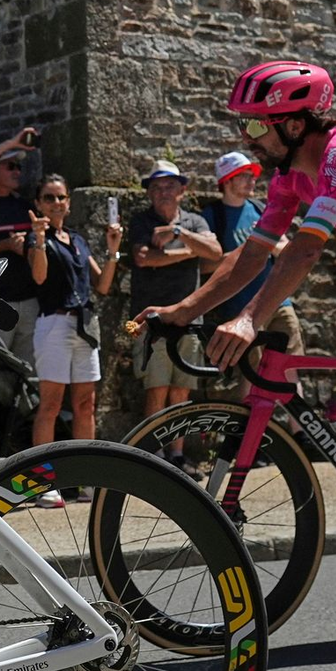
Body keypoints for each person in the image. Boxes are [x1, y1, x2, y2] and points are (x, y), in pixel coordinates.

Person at [134, 60, 336, 562]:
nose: (246, 137)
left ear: (293, 124)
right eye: (241, 124)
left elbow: (306, 248)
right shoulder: (290, 182)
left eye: (255, 125)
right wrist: (185, 309)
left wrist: (250, 319)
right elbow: (252, 255)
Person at [26, 175, 121, 504]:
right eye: (48, 198)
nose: (55, 203)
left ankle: (85, 481)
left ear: (69, 202)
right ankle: (43, 484)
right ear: (38, 203)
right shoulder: (37, 238)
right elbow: (38, 277)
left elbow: (103, 286)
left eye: (60, 197)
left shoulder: (78, 240)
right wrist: (38, 239)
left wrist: (113, 252)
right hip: (54, 323)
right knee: (51, 405)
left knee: (85, 405)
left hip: (84, 325)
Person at [127, 158, 222, 476]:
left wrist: (177, 233)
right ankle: (153, 456)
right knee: (156, 387)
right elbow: (144, 259)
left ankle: (177, 456)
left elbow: (216, 253)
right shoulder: (141, 221)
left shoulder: (192, 222)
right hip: (151, 319)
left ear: (182, 190)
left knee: (181, 389)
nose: (163, 192)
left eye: (169, 186)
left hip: (189, 319)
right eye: (156, 187)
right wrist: (190, 251)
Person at [201, 151, 303, 397]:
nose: (252, 180)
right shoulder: (212, 216)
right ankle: (245, 433)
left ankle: (300, 433)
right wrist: (249, 249)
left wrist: (266, 245)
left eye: (252, 175)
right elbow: (204, 267)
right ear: (227, 181)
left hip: (277, 300)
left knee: (291, 369)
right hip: (239, 308)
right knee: (250, 372)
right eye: (243, 176)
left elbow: (286, 252)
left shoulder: (261, 210)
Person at [0, 147, 39, 366]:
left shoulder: (26, 206)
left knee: (28, 369)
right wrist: (4, 245)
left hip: (29, 300)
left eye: (19, 167)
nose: (17, 172)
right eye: (11, 166)